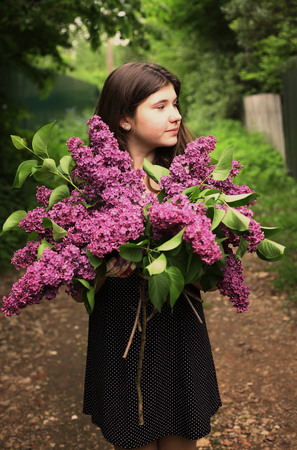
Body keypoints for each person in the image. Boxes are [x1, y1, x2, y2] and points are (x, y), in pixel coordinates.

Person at [73, 62, 221, 450]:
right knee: (131, 437)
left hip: (178, 326)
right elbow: (79, 284)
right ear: (124, 118)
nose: (176, 115)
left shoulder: (188, 179)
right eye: (160, 106)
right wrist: (111, 261)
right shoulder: (89, 185)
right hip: (119, 328)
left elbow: (211, 272)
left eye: (176, 103)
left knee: (181, 437)